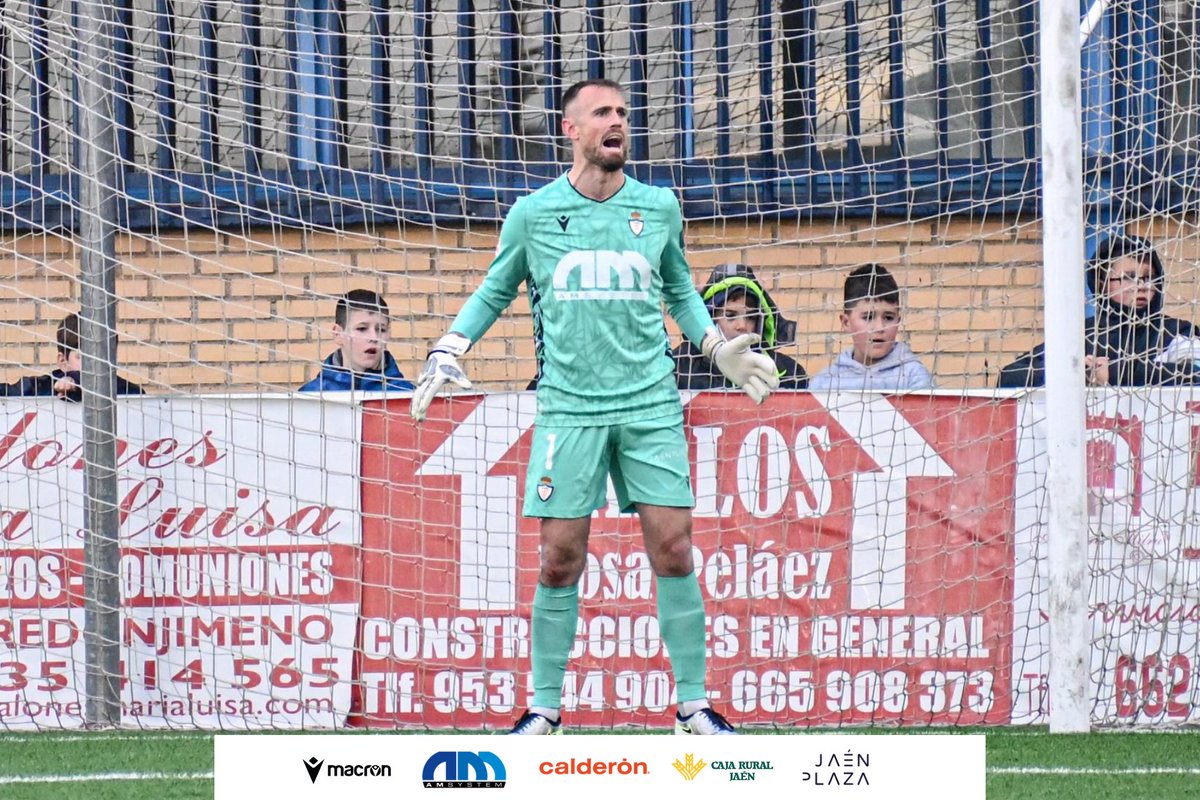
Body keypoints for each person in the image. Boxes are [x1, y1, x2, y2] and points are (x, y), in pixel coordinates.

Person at [409, 78, 780, 735]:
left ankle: (692, 705)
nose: (618, 123)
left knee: (674, 547)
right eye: (603, 114)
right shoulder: (533, 214)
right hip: (569, 410)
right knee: (559, 557)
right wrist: (449, 347)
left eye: (624, 114)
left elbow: (680, 290)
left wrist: (717, 346)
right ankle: (545, 709)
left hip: (649, 405)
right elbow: (496, 289)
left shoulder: (658, 206)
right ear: (571, 130)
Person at [998, 234, 1199, 388]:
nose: (1142, 286)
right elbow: (1009, 376)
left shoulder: (1175, 332)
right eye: (1128, 277)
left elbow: (1196, 373)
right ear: (1101, 284)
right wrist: (1072, 373)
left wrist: (1115, 373)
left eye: (1149, 278)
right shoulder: (1081, 336)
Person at [672, 263, 808, 391]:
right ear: (710, 317)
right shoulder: (677, 367)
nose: (742, 326)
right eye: (730, 315)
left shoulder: (789, 372)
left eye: (751, 317)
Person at [808, 263, 933, 391]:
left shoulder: (914, 378)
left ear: (898, 321)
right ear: (846, 322)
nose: (879, 327)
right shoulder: (823, 384)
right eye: (868, 317)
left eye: (888, 318)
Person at [0, 312, 143, 400]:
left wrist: (77, 384)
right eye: (83, 357)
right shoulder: (36, 388)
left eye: (104, 357)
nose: (94, 365)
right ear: (63, 361)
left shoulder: (130, 393)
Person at [298, 289, 415, 392]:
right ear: (338, 334)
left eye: (381, 329)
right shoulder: (312, 395)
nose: (374, 337)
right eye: (362, 329)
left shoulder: (405, 394)